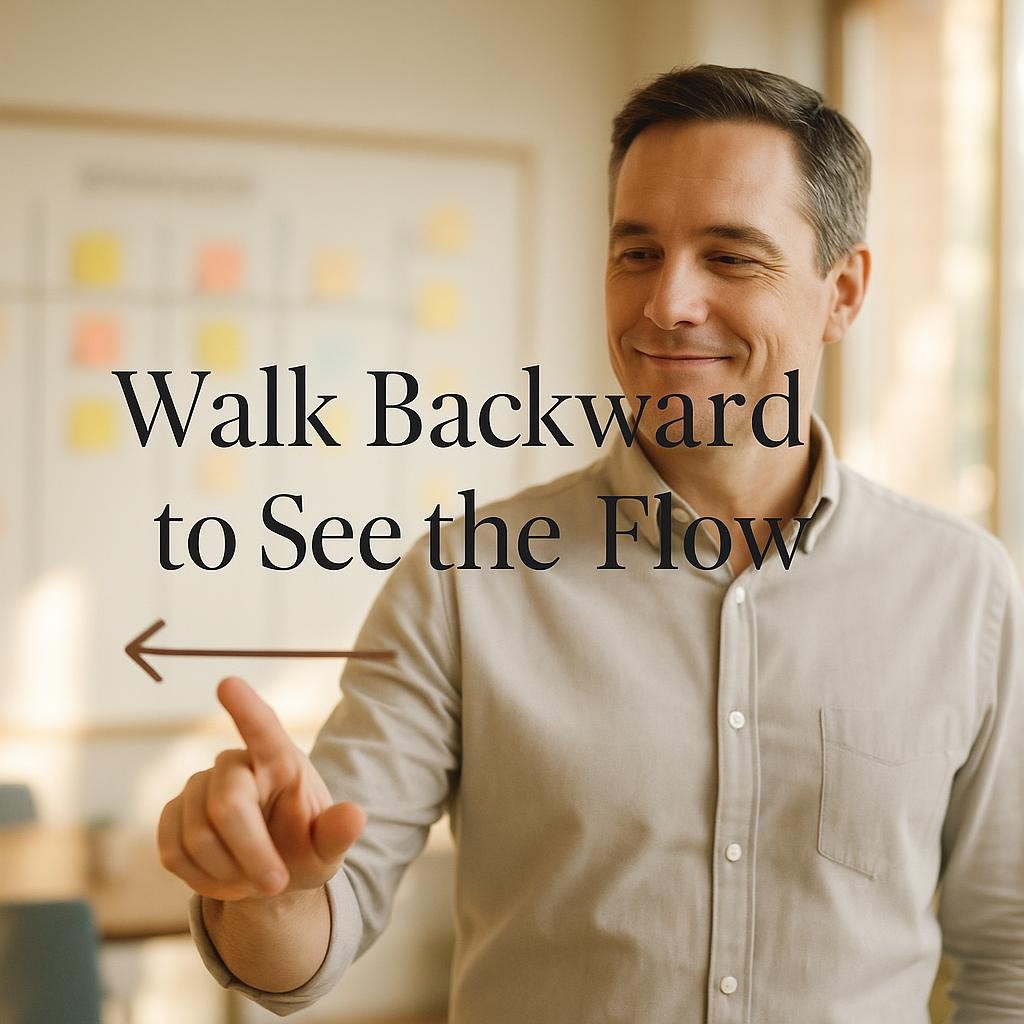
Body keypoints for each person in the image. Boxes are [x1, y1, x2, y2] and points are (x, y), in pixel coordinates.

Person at [158, 65, 1024, 1022]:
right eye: (637, 253)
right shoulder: (463, 583)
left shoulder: (965, 591)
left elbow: (1010, 954)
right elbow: (305, 944)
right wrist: (271, 891)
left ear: (843, 292)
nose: (666, 304)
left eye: (731, 257)